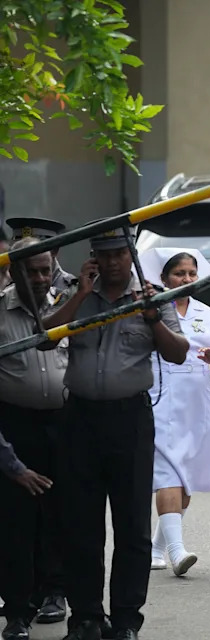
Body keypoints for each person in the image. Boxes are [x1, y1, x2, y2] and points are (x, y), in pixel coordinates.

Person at [44, 224, 189, 640]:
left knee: (132, 527)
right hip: (80, 419)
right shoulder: (76, 293)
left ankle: (125, 620)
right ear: (93, 256)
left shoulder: (152, 297)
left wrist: (151, 318)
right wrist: (80, 296)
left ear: (131, 255)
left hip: (129, 421)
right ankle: (86, 617)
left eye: (118, 254)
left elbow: (178, 353)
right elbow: (44, 337)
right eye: (103, 255)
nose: (111, 263)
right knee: (80, 525)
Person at [138, 248, 210, 577]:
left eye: (192, 273)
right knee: (169, 473)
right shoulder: (149, 311)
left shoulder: (207, 313)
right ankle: (177, 552)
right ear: (163, 278)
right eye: (179, 273)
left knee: (187, 480)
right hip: (163, 394)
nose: (187, 279)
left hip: (199, 400)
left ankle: (156, 548)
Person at [4, 218, 76, 626]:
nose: (40, 278)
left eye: (45, 270)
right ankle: (19, 603)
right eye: (30, 271)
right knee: (16, 517)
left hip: (63, 421)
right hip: (16, 422)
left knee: (59, 512)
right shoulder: (1, 310)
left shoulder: (69, 302)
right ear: (13, 271)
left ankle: (54, 590)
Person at [6, 217, 78, 294]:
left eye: (34, 253)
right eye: (20, 254)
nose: (27, 259)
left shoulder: (72, 290)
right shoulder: (7, 289)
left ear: (54, 251)